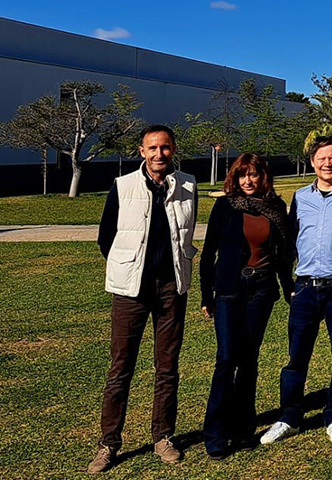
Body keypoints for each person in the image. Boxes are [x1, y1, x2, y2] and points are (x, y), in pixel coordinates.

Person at [89, 125, 197, 473]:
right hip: (130, 290)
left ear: (173, 149)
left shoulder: (188, 185)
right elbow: (107, 237)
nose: (159, 154)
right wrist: (129, 268)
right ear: (141, 151)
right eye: (152, 148)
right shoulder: (123, 186)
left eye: (165, 148)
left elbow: (187, 232)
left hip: (171, 287)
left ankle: (163, 436)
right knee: (120, 368)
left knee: (167, 367)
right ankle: (108, 443)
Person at [260, 136, 332, 446]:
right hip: (305, 289)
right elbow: (287, 246)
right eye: (322, 158)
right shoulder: (299, 198)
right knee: (296, 357)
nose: (328, 163)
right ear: (312, 162)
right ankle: (289, 417)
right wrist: (289, 285)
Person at [199, 153, 295, 459]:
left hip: (261, 289)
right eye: (242, 175)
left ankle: (242, 429)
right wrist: (206, 295)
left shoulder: (276, 208)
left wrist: (288, 287)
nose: (248, 181)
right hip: (229, 288)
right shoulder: (225, 206)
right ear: (235, 178)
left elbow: (282, 254)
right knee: (227, 358)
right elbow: (208, 251)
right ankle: (215, 432)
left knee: (249, 359)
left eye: (253, 175)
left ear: (263, 177)